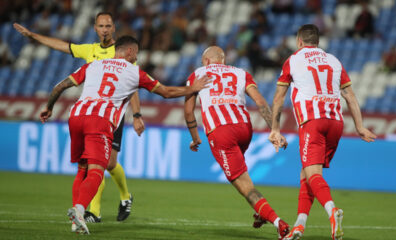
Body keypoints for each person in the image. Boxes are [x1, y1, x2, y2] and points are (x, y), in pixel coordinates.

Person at [39, 35, 210, 234]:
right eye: (136, 53)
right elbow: (166, 92)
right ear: (129, 51)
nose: (136, 57)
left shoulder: (93, 65)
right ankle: (79, 211)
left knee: (82, 169)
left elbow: (59, 86)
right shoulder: (135, 72)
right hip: (100, 120)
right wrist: (193, 88)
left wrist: (49, 108)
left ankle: (76, 219)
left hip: (77, 116)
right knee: (96, 171)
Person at [14, 12, 139, 222]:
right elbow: (62, 46)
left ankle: (125, 197)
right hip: (91, 112)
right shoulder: (89, 50)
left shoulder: (124, 53)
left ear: (114, 28)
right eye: (101, 26)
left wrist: (137, 114)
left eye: (108, 25)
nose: (105, 29)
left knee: (107, 164)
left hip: (111, 114)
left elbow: (133, 86)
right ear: (95, 28)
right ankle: (94, 212)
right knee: (96, 163)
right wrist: (33, 36)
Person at [268, 24, 376, 240]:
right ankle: (299, 225)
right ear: (318, 42)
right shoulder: (334, 61)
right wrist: (360, 126)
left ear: (299, 41)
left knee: (313, 174)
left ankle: (332, 211)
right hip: (335, 123)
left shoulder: (294, 60)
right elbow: (350, 96)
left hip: (312, 121)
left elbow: (279, 97)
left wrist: (275, 129)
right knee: (307, 174)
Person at [184, 46, 290, 240]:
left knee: (245, 187)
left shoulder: (198, 74)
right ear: (222, 60)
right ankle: (260, 212)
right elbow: (260, 102)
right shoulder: (241, 73)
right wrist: (275, 130)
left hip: (221, 132)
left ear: (206, 61)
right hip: (244, 128)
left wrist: (195, 137)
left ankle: (279, 224)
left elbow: (189, 111)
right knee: (243, 175)